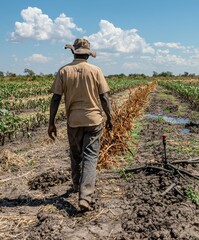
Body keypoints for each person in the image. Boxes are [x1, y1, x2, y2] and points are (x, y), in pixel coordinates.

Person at [48, 38, 112, 211]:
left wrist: (51, 122)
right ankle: (84, 196)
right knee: (90, 157)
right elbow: (104, 98)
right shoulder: (96, 70)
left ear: (73, 52)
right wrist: (110, 118)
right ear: (88, 55)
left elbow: (56, 98)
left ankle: (76, 185)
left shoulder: (64, 71)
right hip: (93, 120)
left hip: (73, 121)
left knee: (76, 154)